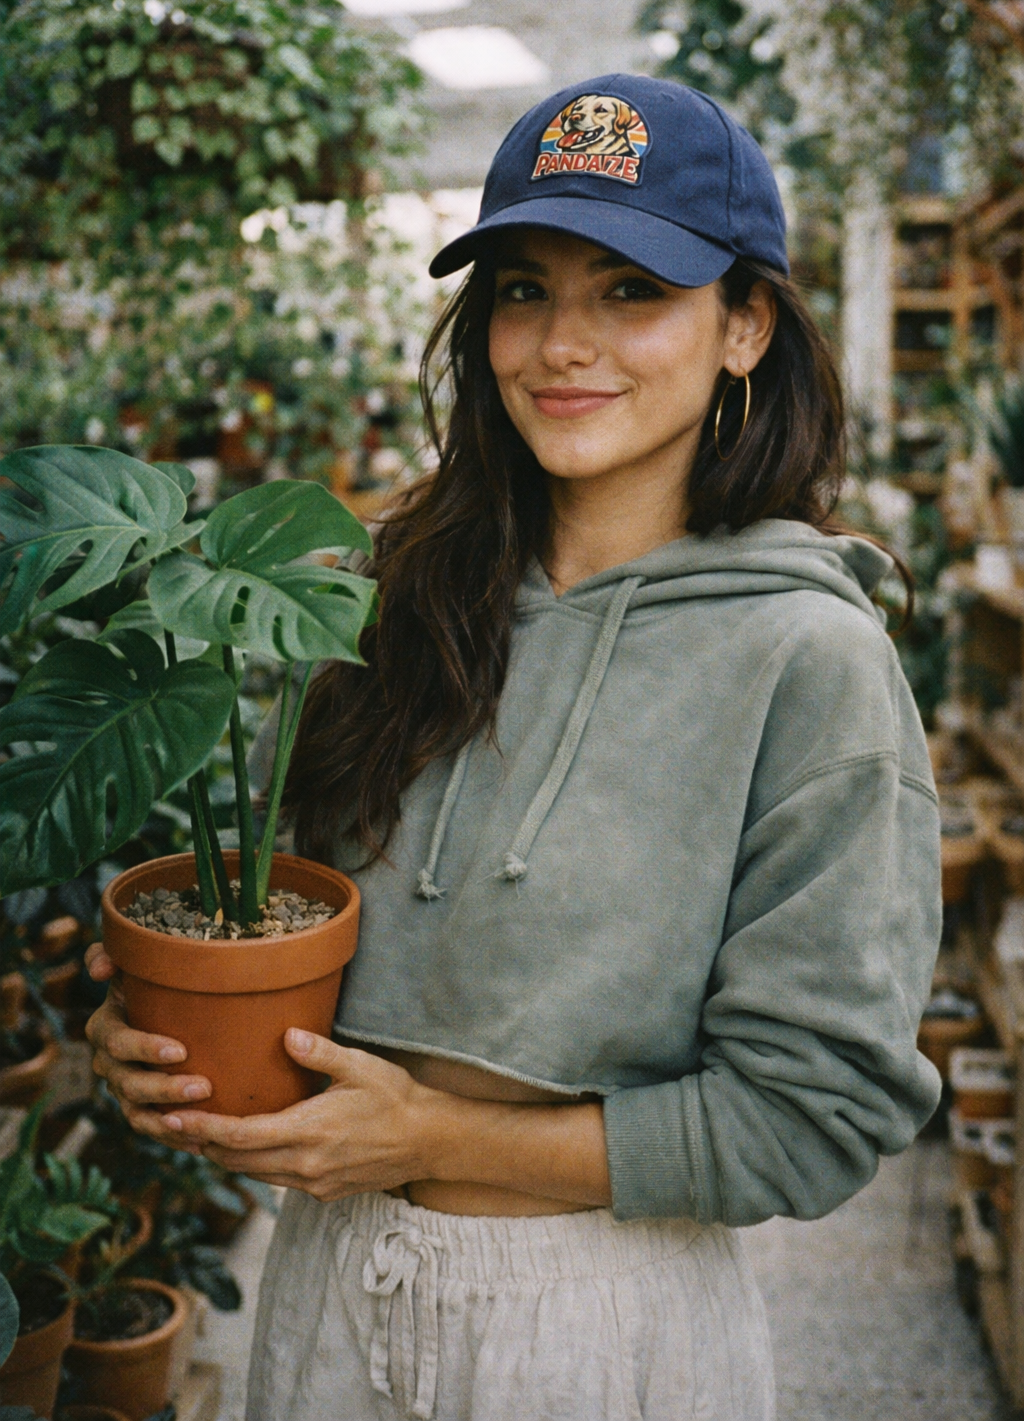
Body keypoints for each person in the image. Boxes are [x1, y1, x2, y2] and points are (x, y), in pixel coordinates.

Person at [85, 74, 942, 1421]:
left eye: (630, 291)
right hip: (328, 1289)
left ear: (746, 325)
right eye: (524, 290)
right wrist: (164, 1024)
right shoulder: (392, 595)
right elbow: (272, 913)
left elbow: (814, 1116)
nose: (561, 344)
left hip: (601, 1325)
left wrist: (434, 1138)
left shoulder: (808, 660)